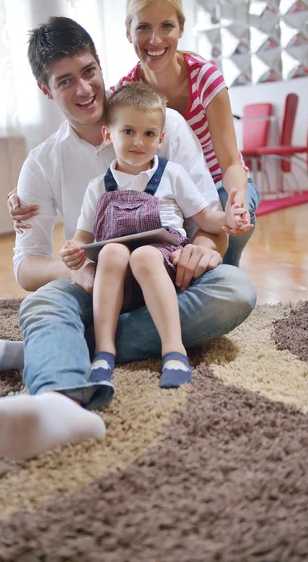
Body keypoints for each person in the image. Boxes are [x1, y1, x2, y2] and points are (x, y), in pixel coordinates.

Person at [0, 16, 256, 462]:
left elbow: (206, 220)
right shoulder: (42, 163)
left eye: (89, 71)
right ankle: (59, 402)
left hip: (164, 278)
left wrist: (201, 250)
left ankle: (48, 349)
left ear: (102, 67)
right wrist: (77, 268)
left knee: (235, 291)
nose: (84, 89)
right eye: (66, 81)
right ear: (47, 91)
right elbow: (26, 267)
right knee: (43, 302)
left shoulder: (166, 126)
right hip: (99, 283)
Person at [11, 0, 259, 268]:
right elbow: (94, 122)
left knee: (224, 262)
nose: (154, 39)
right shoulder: (128, 96)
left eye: (166, 25)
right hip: (161, 208)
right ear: (129, 32)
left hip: (220, 181)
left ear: (181, 27)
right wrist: (27, 186)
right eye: (144, 27)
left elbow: (231, 162)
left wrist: (236, 203)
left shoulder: (202, 79)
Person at [60, 82, 251, 391]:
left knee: (145, 254)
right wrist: (72, 253)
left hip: (162, 265)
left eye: (149, 134)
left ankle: (173, 350)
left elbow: (205, 218)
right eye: (128, 132)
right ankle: (104, 351)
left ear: (161, 139)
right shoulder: (98, 186)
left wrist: (229, 218)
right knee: (111, 253)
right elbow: (81, 239)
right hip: (116, 279)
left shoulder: (172, 174)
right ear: (108, 134)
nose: (139, 142)